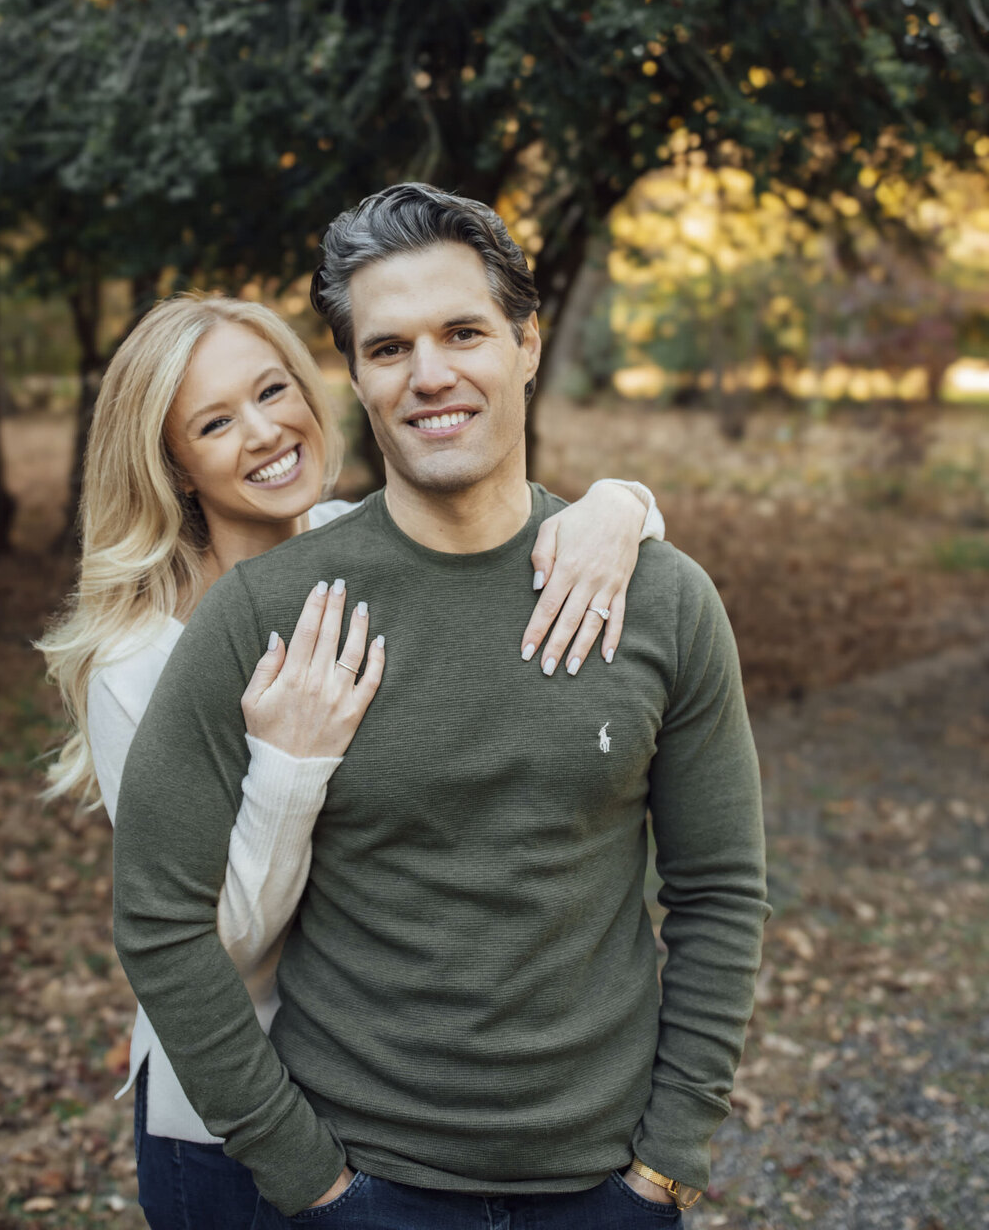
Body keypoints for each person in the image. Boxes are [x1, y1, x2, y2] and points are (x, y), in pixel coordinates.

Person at [113, 185, 770, 1229]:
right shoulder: (265, 611)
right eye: (389, 348)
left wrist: (668, 1162)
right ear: (357, 377)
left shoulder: (660, 598)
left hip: (605, 1188)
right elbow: (158, 917)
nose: (429, 375)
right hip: (360, 1182)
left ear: (527, 344)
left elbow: (721, 889)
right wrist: (308, 1180)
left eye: (463, 333)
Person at [38, 290, 666, 1229]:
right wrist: (288, 767)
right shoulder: (139, 663)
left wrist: (620, 506)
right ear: (173, 465)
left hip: (384, 1105)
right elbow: (206, 941)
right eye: (215, 422)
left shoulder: (356, 542)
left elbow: (508, 535)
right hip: (231, 1114)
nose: (265, 431)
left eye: (273, 391)